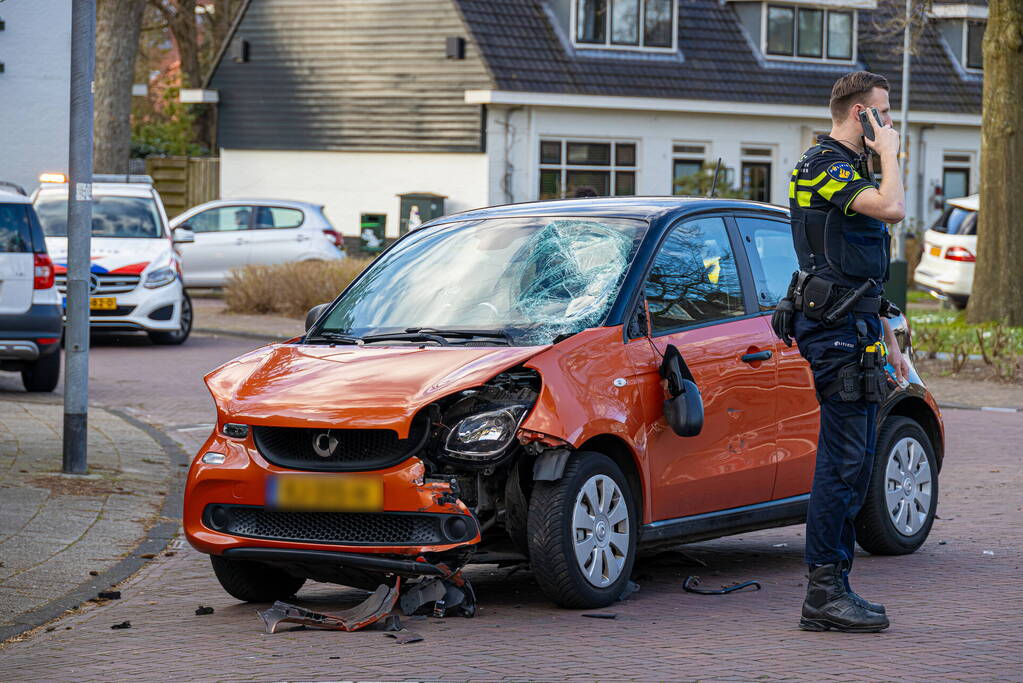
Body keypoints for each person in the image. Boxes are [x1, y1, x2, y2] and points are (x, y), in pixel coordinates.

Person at [771, 71, 910, 633]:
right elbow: (893, 208)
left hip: (856, 324)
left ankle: (835, 586)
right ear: (862, 116)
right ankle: (823, 592)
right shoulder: (820, 165)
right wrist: (892, 154)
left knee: (856, 459)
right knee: (842, 460)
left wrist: (892, 340)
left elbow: (861, 268)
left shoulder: (848, 168)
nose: (890, 124)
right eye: (884, 114)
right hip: (832, 331)